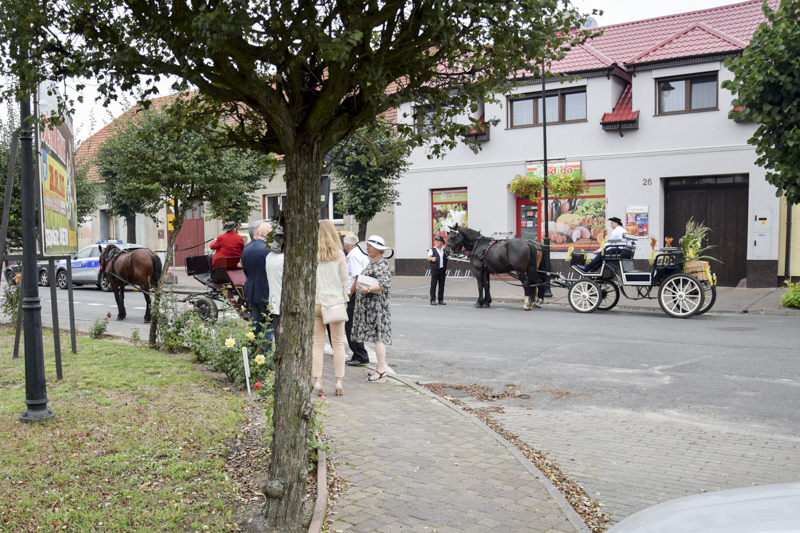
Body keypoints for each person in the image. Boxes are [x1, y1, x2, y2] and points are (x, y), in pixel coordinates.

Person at [312, 220, 351, 397]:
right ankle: (338, 381)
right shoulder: (339, 255)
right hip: (335, 303)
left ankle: (318, 382)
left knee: (317, 345)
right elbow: (345, 280)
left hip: (316, 303)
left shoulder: (313, 255)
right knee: (338, 344)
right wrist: (346, 296)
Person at [352, 235, 393, 383]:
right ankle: (379, 368)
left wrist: (367, 290)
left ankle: (381, 370)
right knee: (377, 337)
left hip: (377, 307)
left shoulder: (381, 264)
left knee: (378, 337)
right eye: (367, 245)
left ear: (379, 249)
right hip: (373, 306)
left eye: (371, 246)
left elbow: (383, 284)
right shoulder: (374, 263)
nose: (368, 248)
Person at [241, 222, 273, 349]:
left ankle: (252, 353)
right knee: (267, 328)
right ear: (267, 235)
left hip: (251, 291)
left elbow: (245, 270)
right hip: (266, 293)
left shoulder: (247, 248)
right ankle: (265, 357)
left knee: (255, 325)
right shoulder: (268, 250)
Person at [342, 234, 371, 367]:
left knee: (351, 325)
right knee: (355, 324)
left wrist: (350, 293)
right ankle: (358, 354)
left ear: (345, 245)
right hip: (361, 292)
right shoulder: (361, 253)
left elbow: (358, 276)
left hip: (355, 293)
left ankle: (360, 355)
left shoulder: (353, 256)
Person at [265, 225, 285, 348]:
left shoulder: (269, 257)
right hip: (284, 303)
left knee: (278, 338)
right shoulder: (284, 258)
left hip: (274, 301)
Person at [427, 235, 448, 305]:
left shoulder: (444, 250)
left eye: (438, 241)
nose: (436, 242)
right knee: (433, 285)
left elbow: (448, 257)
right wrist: (432, 258)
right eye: (436, 241)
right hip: (435, 270)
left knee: (441, 286)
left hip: (442, 270)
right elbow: (428, 257)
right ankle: (432, 300)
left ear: (442, 242)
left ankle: (440, 300)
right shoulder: (432, 250)